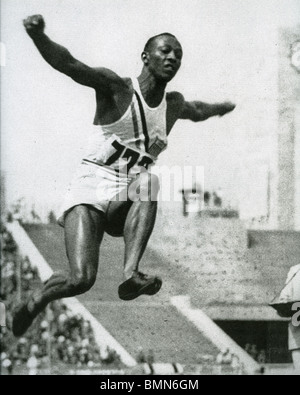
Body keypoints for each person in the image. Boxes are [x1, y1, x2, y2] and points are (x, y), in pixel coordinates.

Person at [12, 14, 235, 337]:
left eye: (178, 54)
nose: (173, 57)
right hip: (89, 190)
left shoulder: (172, 105)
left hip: (124, 199)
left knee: (148, 181)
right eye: (165, 50)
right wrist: (38, 37)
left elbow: (197, 111)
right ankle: (38, 299)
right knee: (80, 280)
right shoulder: (117, 88)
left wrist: (220, 108)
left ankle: (131, 273)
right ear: (146, 57)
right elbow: (70, 65)